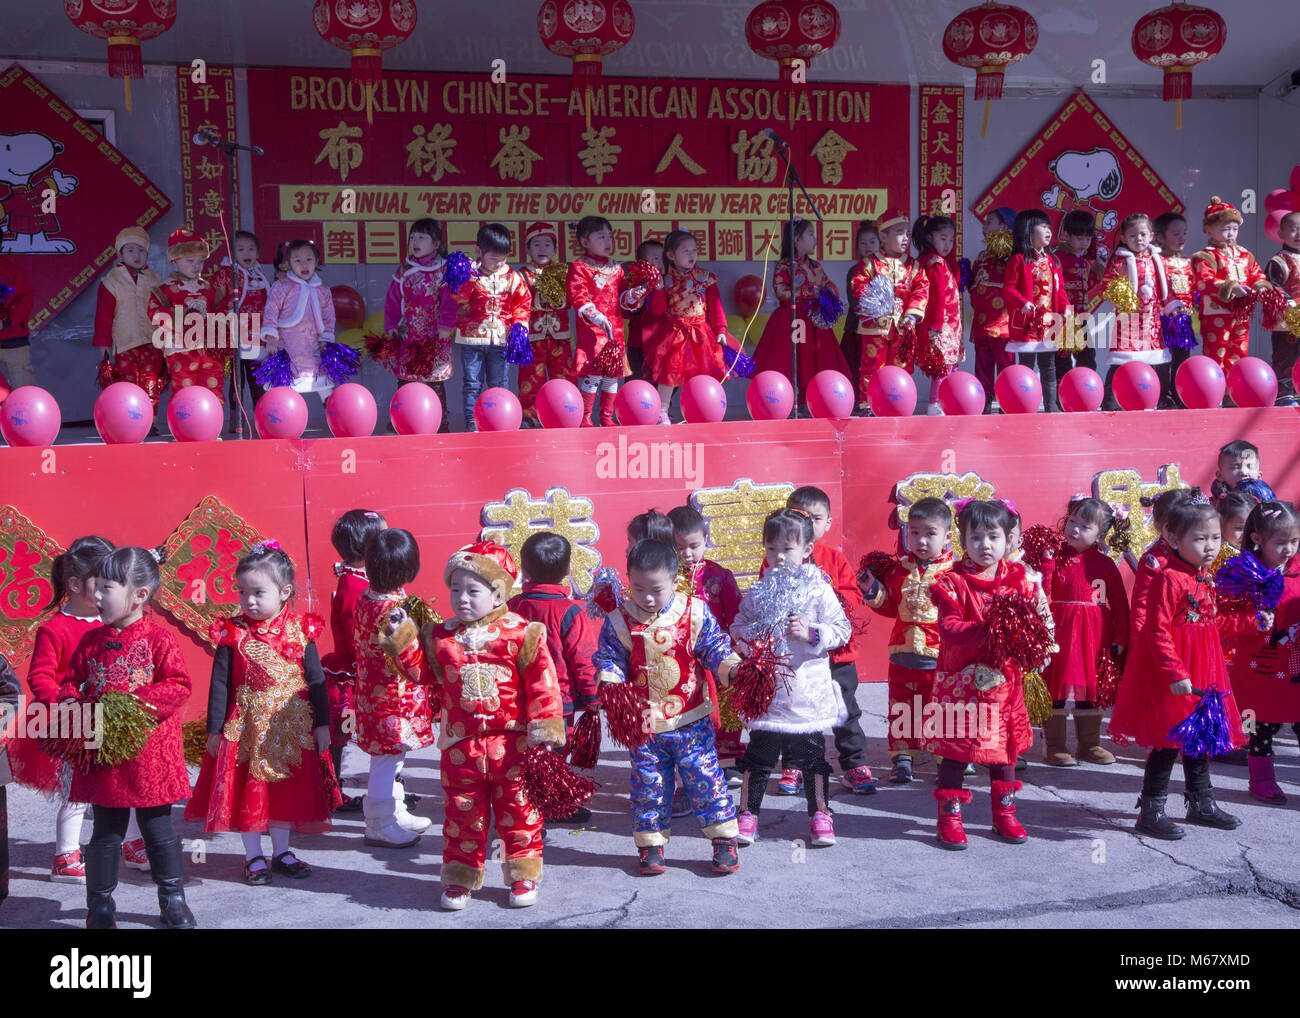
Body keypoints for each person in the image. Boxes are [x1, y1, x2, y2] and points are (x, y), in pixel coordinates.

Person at [419, 541, 565, 909]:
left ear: (498, 592)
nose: (461, 599)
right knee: (461, 816)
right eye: (455, 590)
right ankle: (460, 878)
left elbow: (542, 683)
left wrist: (546, 730)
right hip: (460, 747)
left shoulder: (521, 633)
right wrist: (402, 642)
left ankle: (521, 875)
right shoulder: (442, 637)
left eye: (472, 591)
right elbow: (423, 674)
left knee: (518, 812)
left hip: (512, 744)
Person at [186, 543, 337, 884]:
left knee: (284, 793)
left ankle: (281, 851)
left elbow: (315, 681)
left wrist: (323, 724)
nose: (249, 601)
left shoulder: (301, 630)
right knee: (249, 792)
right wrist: (214, 730)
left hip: (291, 731)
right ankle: (253, 856)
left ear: (284, 592)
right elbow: (220, 685)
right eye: (242, 592)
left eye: (258, 593)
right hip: (246, 732)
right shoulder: (233, 633)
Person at [61, 547, 195, 929]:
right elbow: (71, 682)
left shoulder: (160, 639)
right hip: (106, 757)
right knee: (105, 831)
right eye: (95, 587)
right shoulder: (90, 642)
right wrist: (74, 704)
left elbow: (179, 685)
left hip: (150, 756)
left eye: (106, 588)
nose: (97, 596)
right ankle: (99, 906)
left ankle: (173, 901)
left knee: (158, 828)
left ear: (139, 595)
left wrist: (129, 705)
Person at [593, 539, 743, 876]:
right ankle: (651, 845)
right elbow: (610, 658)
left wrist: (733, 669)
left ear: (675, 582)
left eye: (655, 590)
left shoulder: (694, 612)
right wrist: (611, 682)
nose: (646, 597)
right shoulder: (620, 621)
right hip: (643, 724)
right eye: (638, 588)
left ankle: (723, 840)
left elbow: (715, 649)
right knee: (650, 785)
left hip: (691, 720)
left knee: (706, 778)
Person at [1108, 495, 1253, 839]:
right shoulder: (1168, 578)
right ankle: (1151, 809)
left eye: (1215, 537)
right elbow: (1156, 631)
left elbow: (1211, 623)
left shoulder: (1204, 576)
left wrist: (1251, 622)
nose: (1210, 546)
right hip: (1176, 672)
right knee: (1168, 739)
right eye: (1200, 539)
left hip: (1207, 667)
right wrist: (1175, 673)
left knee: (1201, 736)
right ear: (1175, 539)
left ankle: (1201, 803)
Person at [928, 500, 1051, 849]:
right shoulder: (952, 582)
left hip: (1005, 684)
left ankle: (1005, 815)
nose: (985, 545)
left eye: (993, 537)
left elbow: (1033, 626)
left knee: (1005, 753)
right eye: (976, 537)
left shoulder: (1019, 582)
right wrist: (990, 628)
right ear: (962, 540)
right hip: (962, 685)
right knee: (955, 753)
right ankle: (948, 819)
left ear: (1008, 539)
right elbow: (950, 628)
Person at [732, 509, 850, 848]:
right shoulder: (758, 591)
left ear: (807, 549)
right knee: (759, 757)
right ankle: (747, 814)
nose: (779, 557)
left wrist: (813, 633)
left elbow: (841, 630)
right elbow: (738, 627)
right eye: (771, 549)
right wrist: (752, 638)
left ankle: (820, 815)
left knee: (812, 757)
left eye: (787, 549)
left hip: (806, 693)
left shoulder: (819, 589)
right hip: (768, 694)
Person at [6, 537, 114, 882]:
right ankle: (66, 855)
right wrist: (63, 706)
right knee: (77, 791)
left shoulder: (112, 622)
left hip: (112, 718)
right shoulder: (54, 628)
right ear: (74, 584)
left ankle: (129, 841)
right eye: (102, 584)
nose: (108, 592)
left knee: (119, 786)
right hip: (74, 719)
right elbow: (40, 675)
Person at [769, 487, 874, 794]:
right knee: (796, 710)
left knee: (845, 712)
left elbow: (854, 599)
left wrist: (830, 597)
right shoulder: (776, 560)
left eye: (815, 518)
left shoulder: (834, 559)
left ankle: (855, 764)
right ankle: (794, 765)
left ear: (828, 523)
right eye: (801, 516)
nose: (808, 524)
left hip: (836, 655)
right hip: (796, 658)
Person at [859, 497, 955, 784]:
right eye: (914, 533)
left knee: (940, 706)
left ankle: (946, 759)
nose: (921, 540)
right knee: (903, 707)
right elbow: (890, 606)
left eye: (930, 533)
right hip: (901, 652)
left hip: (940, 655)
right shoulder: (899, 569)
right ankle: (903, 758)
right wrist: (872, 591)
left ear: (947, 537)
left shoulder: (956, 572)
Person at [351, 528, 436, 847]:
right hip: (392, 699)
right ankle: (378, 822)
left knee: (390, 758)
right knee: (387, 760)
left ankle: (395, 810)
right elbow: (410, 660)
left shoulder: (366, 596)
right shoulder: (396, 612)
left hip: (374, 696)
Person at [1038, 498, 1131, 766]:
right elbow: (1042, 595)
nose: (1074, 529)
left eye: (1084, 526)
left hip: (1095, 637)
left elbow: (1120, 605)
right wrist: (1046, 567)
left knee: (1091, 692)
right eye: (1072, 522)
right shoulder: (1054, 557)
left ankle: (1089, 745)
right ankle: (1054, 745)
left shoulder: (1104, 565)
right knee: (1054, 690)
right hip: (1059, 634)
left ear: (1100, 535)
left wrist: (1122, 638)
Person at [1223, 501, 1300, 803]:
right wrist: (1252, 622)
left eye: (1294, 541)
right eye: (1281, 543)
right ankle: (1262, 780)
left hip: (1295, 669)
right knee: (1259, 728)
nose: (1289, 549)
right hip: (1258, 672)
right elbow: (1225, 618)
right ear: (1257, 540)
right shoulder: (1240, 575)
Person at [508, 531, 599, 778]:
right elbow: (584, 660)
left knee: (525, 750)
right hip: (558, 700)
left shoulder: (513, 607)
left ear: (524, 571)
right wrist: (592, 698)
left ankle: (526, 799)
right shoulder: (571, 611)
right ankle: (551, 805)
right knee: (554, 752)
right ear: (568, 569)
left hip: (519, 697)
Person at [668, 504, 744, 780]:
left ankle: (728, 759)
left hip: (716, 655)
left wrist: (734, 652)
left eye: (693, 546)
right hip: (680, 659)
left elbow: (736, 617)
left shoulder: (719, 576)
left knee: (725, 707)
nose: (687, 554)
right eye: (679, 547)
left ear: (705, 540)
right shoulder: (664, 580)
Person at [319, 509, 388, 812]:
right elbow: (358, 637)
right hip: (355, 673)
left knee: (344, 735)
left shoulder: (359, 578)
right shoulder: (354, 588)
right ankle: (329, 794)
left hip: (358, 670)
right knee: (341, 735)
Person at [752, 217, 851, 414]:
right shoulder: (784, 265)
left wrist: (826, 291)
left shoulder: (815, 266)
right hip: (793, 319)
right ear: (796, 239)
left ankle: (811, 398)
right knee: (792, 359)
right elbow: (781, 291)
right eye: (811, 235)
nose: (815, 239)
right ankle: (786, 399)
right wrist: (809, 292)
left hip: (814, 320)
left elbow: (829, 285)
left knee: (814, 359)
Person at [1093, 213, 1183, 411]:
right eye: (1133, 236)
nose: (1139, 239)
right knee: (1121, 361)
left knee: (1159, 360)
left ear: (1151, 236)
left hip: (1151, 321)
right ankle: (1110, 400)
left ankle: (1162, 398)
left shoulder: (1157, 260)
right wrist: (1117, 293)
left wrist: (1172, 306)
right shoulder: (1119, 262)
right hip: (1128, 322)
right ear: (1124, 238)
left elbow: (1164, 287)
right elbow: (1106, 286)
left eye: (1143, 234)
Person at [450, 222, 533, 431]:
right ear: (479, 251)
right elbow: (457, 297)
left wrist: (520, 327)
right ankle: (472, 422)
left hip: (500, 339)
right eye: (493, 259)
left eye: (502, 259)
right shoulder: (470, 273)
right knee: (472, 383)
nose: (498, 264)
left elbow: (522, 302)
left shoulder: (513, 277)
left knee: (499, 382)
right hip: (472, 338)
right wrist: (468, 276)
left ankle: (499, 421)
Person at [566, 216, 649, 427]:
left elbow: (622, 298)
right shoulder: (579, 267)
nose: (607, 241)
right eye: (601, 237)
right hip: (592, 330)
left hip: (615, 330)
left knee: (612, 376)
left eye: (609, 237)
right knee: (592, 375)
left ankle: (606, 417)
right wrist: (595, 315)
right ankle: (585, 417)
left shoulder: (617, 268)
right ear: (585, 242)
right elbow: (578, 296)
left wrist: (632, 295)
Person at [643, 229, 729, 424]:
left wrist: (721, 330)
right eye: (685, 251)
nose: (691, 254)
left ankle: (706, 408)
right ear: (671, 255)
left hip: (701, 334)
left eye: (694, 250)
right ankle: (662, 411)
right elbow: (658, 310)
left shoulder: (706, 277)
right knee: (669, 375)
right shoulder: (665, 280)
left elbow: (716, 306)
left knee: (704, 374)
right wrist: (657, 290)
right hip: (675, 334)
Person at [849, 208, 928, 415]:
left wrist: (912, 314)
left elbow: (921, 289)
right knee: (872, 366)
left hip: (903, 327)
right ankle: (868, 404)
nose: (905, 238)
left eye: (907, 233)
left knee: (902, 367)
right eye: (899, 233)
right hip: (875, 328)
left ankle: (900, 403)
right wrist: (876, 302)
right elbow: (858, 286)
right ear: (883, 236)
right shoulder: (869, 263)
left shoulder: (914, 266)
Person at [381, 218, 457, 426]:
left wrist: (445, 327)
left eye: (422, 237)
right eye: (413, 237)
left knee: (435, 382)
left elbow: (450, 302)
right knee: (405, 379)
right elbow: (393, 300)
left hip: (434, 334)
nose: (415, 241)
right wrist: (392, 325)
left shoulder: (444, 270)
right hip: (409, 333)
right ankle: (402, 418)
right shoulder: (404, 270)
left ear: (436, 244)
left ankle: (440, 421)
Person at [1192, 196, 1272, 374]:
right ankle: (1216, 392)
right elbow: (1204, 282)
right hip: (1216, 313)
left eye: (1234, 229)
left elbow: (1256, 273)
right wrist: (1231, 287)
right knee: (1216, 352)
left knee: (1239, 352)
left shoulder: (1244, 254)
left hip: (1241, 313)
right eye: (1225, 229)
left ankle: (1233, 391)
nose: (1231, 233)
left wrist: (1261, 286)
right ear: (1208, 230)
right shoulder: (1206, 256)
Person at [149, 228, 230, 402]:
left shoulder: (209, 288)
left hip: (209, 349)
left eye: (200, 261)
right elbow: (154, 313)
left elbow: (221, 310)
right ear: (174, 260)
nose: (196, 266)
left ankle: (210, 423)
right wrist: (183, 317)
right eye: (190, 260)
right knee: (184, 388)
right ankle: (185, 424)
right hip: (181, 350)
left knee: (212, 385)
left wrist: (218, 326)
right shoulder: (165, 289)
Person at [93, 227, 167, 408]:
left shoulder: (154, 279)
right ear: (120, 253)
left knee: (150, 383)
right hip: (125, 343)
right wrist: (103, 344)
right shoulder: (111, 281)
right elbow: (103, 316)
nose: (137, 255)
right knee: (128, 385)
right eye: (130, 250)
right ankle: (133, 421)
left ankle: (150, 422)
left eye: (141, 250)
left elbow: (164, 310)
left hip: (152, 342)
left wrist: (168, 337)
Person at [1004, 209, 1068, 412]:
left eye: (1050, 227)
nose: (1049, 231)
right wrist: (1022, 302)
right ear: (1028, 231)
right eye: (1044, 227)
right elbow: (1008, 288)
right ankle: (1024, 406)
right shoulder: (1018, 260)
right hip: (1026, 325)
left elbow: (1061, 289)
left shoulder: (1052, 261)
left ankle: (1050, 407)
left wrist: (1065, 308)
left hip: (1048, 323)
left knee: (1049, 367)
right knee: (1026, 368)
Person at [260, 239, 337, 403]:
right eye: (298, 260)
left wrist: (327, 339)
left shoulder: (323, 290)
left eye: (309, 259)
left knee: (322, 382)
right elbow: (271, 310)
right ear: (288, 264)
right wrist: (271, 336)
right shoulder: (281, 286)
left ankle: (334, 411)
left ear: (316, 261)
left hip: (313, 344)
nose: (304, 265)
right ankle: (282, 418)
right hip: (288, 343)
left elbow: (329, 316)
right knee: (286, 385)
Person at [208, 230, 272, 418]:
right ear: (231, 252)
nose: (246, 253)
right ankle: (237, 424)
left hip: (257, 338)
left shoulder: (260, 274)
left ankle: (264, 420)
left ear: (258, 253)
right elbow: (215, 303)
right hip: (235, 335)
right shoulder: (224, 275)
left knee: (259, 383)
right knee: (237, 385)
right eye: (241, 249)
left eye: (251, 249)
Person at [516, 222, 573, 428]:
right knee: (531, 379)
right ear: (528, 249)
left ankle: (566, 413)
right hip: (533, 336)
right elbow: (519, 301)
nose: (542, 249)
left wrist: (557, 296)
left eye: (547, 244)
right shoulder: (523, 274)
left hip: (560, 335)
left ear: (555, 249)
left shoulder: (563, 271)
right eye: (537, 244)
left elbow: (571, 301)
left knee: (564, 376)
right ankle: (530, 417)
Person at [968, 207, 1017, 412]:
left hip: (1003, 323)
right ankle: (984, 402)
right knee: (982, 365)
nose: (984, 226)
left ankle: (1009, 401)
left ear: (1004, 226)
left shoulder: (1012, 254)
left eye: (989, 222)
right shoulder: (982, 255)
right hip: (981, 321)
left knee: (1006, 366)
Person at [914, 214, 962, 415]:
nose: (948, 244)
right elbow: (937, 295)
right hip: (940, 324)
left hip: (951, 323)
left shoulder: (943, 261)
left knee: (952, 366)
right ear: (929, 237)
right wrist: (935, 326)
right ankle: (935, 403)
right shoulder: (933, 262)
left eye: (951, 240)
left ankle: (950, 401)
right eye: (943, 238)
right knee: (942, 366)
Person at [1055, 209, 1104, 378]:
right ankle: (1062, 398)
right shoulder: (1057, 259)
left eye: (1088, 238)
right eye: (1079, 238)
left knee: (1087, 357)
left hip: (1082, 318)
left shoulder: (1086, 261)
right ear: (1066, 235)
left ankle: (1088, 391)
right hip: (1063, 318)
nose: (1084, 242)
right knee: (1063, 359)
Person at [1154, 211, 1196, 407]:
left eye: (1184, 233)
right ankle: (1163, 396)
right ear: (1160, 237)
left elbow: (1196, 289)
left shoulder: (1189, 263)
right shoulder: (1157, 262)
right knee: (1162, 359)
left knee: (1182, 359)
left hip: (1184, 320)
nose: (1182, 238)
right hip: (1163, 319)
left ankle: (1180, 395)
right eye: (1176, 234)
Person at [1263, 211, 1300, 405]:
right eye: (1293, 230)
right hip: (1286, 320)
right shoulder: (1279, 261)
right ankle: (1285, 394)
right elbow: (1271, 285)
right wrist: (1288, 303)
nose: (1298, 234)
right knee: (1286, 358)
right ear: (1281, 234)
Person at [841, 221, 878, 408]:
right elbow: (854, 302)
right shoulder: (853, 271)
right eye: (863, 243)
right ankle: (855, 401)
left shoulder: (886, 270)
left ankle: (875, 400)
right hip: (857, 329)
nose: (868, 246)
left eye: (872, 242)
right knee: (855, 367)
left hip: (879, 330)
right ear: (857, 248)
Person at [624, 238, 664, 381]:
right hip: (638, 343)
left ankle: (663, 403)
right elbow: (628, 312)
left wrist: (659, 289)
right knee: (635, 379)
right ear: (642, 262)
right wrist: (636, 299)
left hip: (661, 342)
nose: (660, 263)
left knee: (661, 380)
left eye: (662, 258)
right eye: (655, 258)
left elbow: (660, 311)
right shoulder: (634, 282)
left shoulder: (667, 281)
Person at [0, 252, 36, 388]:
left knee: (24, 388)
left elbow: (25, 300)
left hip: (15, 342)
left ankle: (29, 410)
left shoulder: (12, 271)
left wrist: (6, 322)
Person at [1211, 439, 1277, 504]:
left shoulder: (1267, 502)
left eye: (1249, 467)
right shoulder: (1214, 506)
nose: (1244, 472)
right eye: (1235, 467)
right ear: (1220, 475)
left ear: (1259, 476)